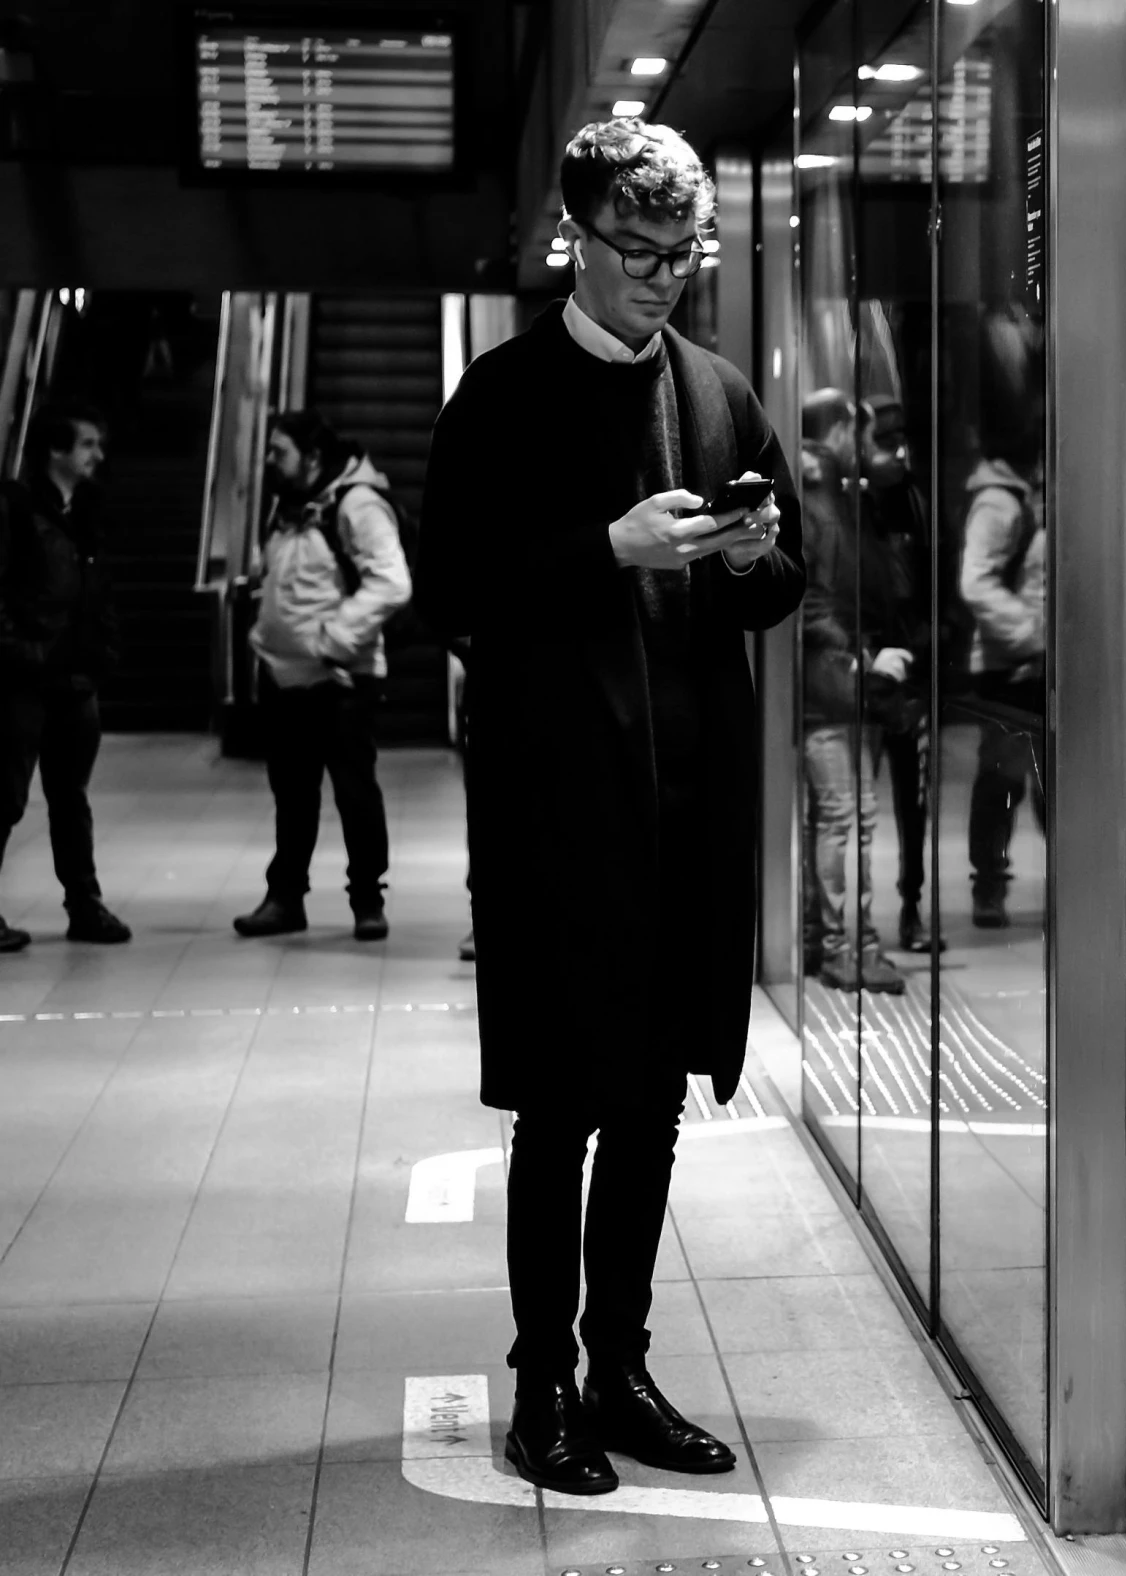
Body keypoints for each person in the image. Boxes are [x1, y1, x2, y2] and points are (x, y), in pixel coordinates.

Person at [416, 117, 804, 1497]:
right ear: (576, 236)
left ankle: (621, 1366)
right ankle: (543, 1388)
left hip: (689, 810)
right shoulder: (502, 398)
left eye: (682, 253)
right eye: (637, 251)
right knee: (561, 1107)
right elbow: (451, 591)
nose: (663, 277)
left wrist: (757, 556)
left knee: (652, 1102)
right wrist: (603, 550)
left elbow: (777, 587)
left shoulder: (716, 389)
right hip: (558, 809)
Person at [233, 410, 410, 942]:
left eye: (277, 451)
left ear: (311, 457)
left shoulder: (356, 504)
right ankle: (285, 898)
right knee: (292, 794)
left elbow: (393, 582)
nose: (268, 461)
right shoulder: (287, 507)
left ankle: (366, 902)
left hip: (341, 681)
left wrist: (331, 640)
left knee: (354, 792)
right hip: (284, 678)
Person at [0, 401, 128, 950]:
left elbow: (96, 594)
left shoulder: (88, 513)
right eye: (87, 445)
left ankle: (85, 903)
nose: (98, 455)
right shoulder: (16, 509)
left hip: (75, 677)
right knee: (4, 797)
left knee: (70, 798)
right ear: (56, 451)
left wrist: (101, 651)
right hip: (23, 678)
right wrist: (21, 651)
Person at [799, 388, 912, 994]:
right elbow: (815, 599)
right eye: (856, 430)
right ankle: (845, 943)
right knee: (848, 815)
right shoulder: (821, 498)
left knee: (846, 816)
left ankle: (840, 941)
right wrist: (860, 660)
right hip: (831, 679)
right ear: (838, 431)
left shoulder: (836, 494)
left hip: (839, 675)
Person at [861, 395, 946, 954]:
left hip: (910, 666)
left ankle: (910, 907)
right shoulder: (856, 502)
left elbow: (931, 576)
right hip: (865, 661)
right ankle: (852, 924)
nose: (896, 452)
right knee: (851, 806)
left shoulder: (916, 501)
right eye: (885, 442)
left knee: (910, 801)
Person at [960, 426, 1047, 930]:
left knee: (1043, 781)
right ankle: (989, 884)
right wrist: (1032, 633)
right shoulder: (1000, 502)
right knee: (1001, 782)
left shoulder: (1026, 493)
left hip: (1032, 662)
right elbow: (976, 580)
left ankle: (1065, 885)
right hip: (1011, 664)